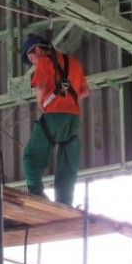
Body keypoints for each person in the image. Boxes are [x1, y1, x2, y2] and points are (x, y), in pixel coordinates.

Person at [21, 34, 90, 206]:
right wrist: (68, 100)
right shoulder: (73, 63)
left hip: (54, 117)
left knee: (30, 157)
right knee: (67, 164)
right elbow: (86, 91)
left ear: (37, 49)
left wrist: (41, 104)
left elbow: (40, 86)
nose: (34, 63)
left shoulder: (44, 61)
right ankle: (65, 202)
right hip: (73, 120)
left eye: (32, 59)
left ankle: (37, 194)